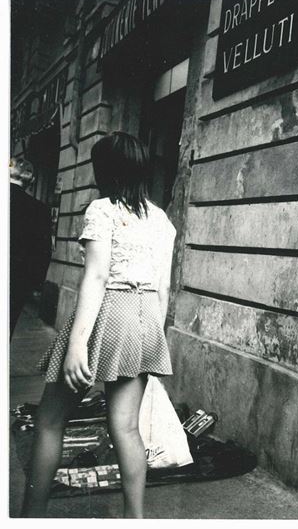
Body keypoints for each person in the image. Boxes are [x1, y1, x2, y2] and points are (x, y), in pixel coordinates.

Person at [21, 132, 176, 518]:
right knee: (127, 427)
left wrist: (77, 344)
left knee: (49, 420)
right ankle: (135, 520)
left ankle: (30, 517)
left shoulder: (102, 210)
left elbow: (97, 276)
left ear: (106, 170)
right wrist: (152, 340)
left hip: (109, 311)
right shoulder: (161, 219)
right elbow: (164, 287)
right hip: (146, 317)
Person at [9, 157, 52, 334]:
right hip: (16, 284)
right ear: (32, 181)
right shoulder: (40, 210)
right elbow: (44, 252)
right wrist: (34, 284)